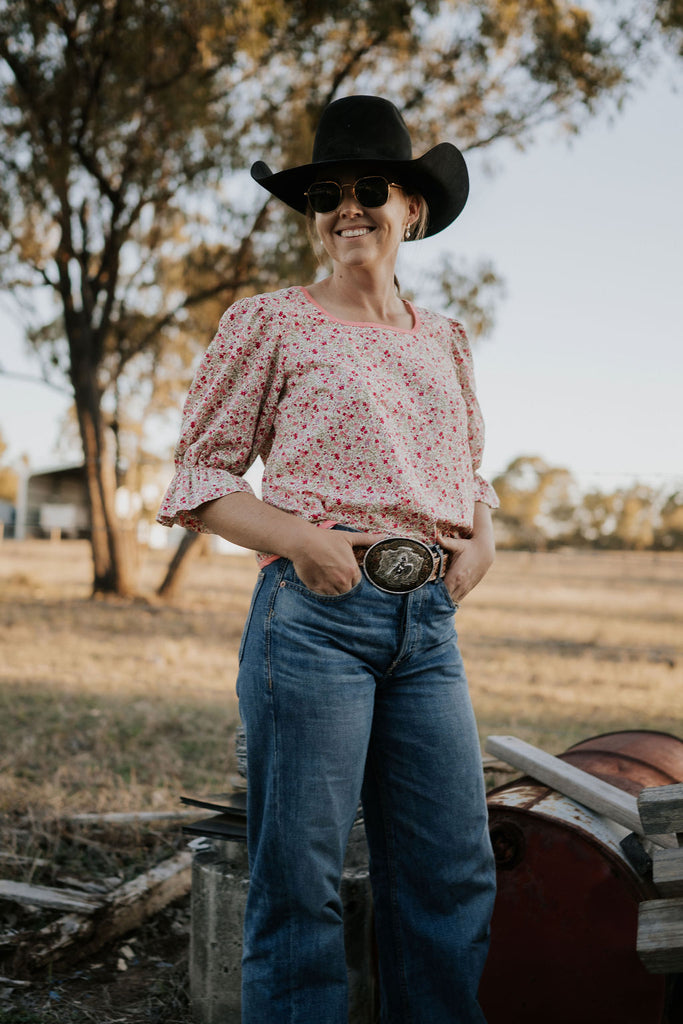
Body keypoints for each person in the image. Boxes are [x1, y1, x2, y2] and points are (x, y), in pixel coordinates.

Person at [158, 94, 497, 1024]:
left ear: (412, 208)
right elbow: (200, 476)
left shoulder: (448, 341)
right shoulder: (267, 321)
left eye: (369, 188)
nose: (347, 207)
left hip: (426, 629)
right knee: (300, 880)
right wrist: (301, 540)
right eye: (326, 194)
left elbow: (466, 470)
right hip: (313, 624)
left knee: (451, 871)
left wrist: (485, 533)